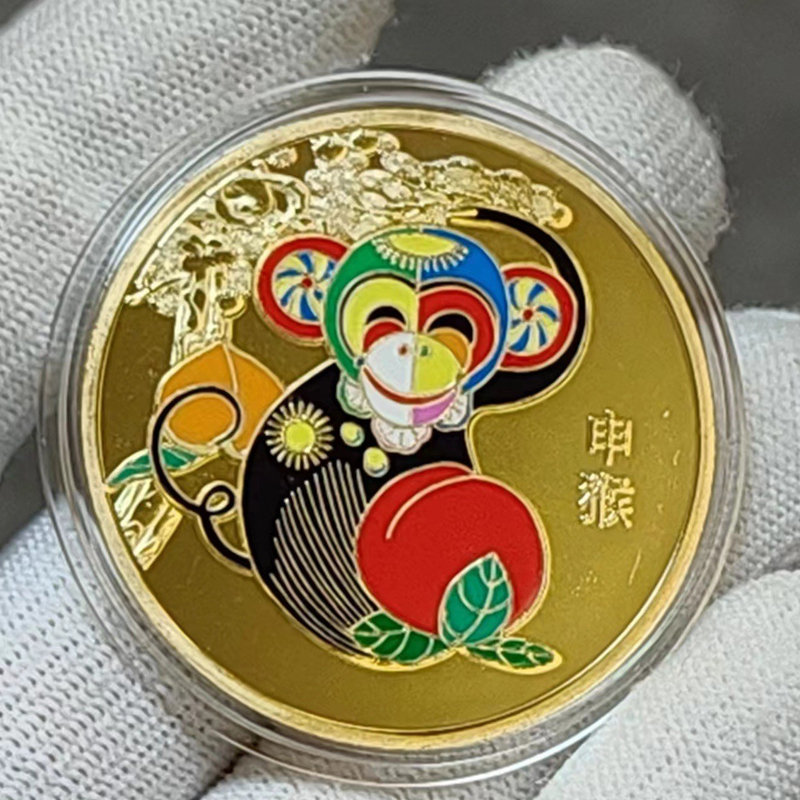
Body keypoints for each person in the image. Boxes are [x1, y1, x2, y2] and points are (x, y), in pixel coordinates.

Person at [0, 2, 798, 798]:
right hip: (278, 562)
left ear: (515, 332)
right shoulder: (300, 396)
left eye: (450, 326)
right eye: (384, 319)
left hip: (397, 588)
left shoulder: (458, 428)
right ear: (318, 300)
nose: (412, 347)